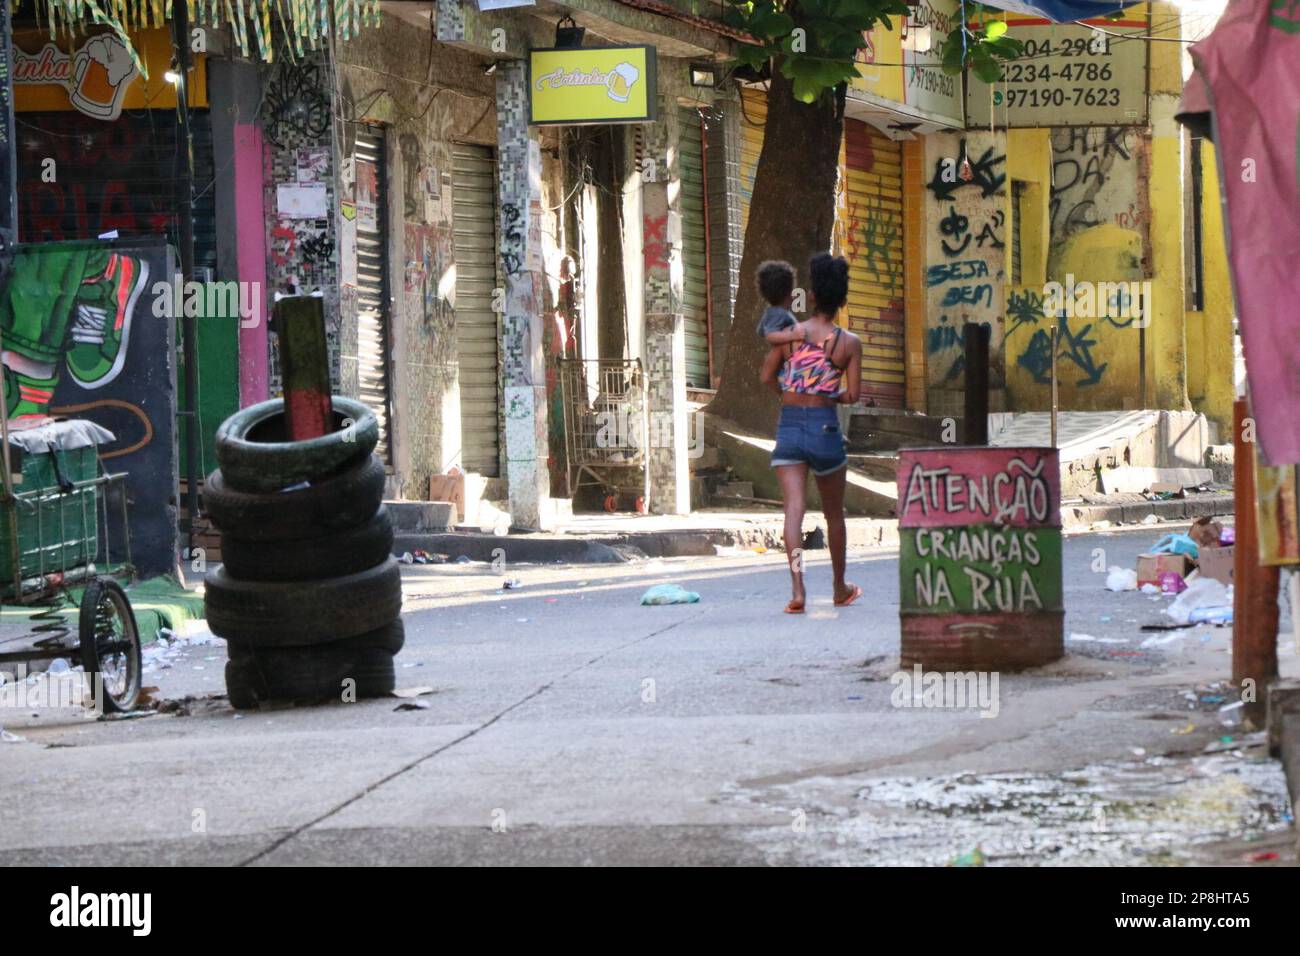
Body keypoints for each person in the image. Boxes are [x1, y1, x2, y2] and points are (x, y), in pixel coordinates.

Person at [759, 253, 863, 614]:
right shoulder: (848, 343)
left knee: (793, 512)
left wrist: (789, 396)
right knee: (834, 514)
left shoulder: (792, 334)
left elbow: (766, 376)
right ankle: (839, 586)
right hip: (826, 429)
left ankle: (798, 589)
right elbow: (852, 395)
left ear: (813, 295)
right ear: (842, 300)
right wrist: (827, 393)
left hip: (789, 425)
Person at [754, 260, 805, 348]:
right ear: (788, 294)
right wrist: (792, 335)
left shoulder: (770, 312)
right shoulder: (779, 313)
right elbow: (770, 335)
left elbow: (761, 331)